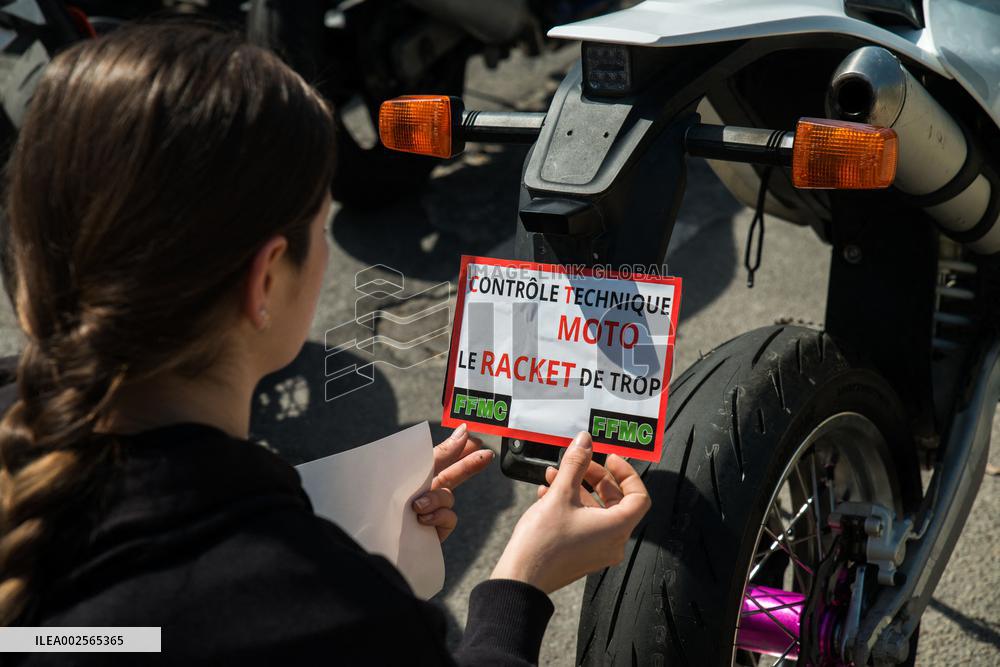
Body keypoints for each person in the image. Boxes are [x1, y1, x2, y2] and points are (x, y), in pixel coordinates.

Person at [0, 23, 650, 665]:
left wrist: (329, 517)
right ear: (265, 277)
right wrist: (522, 582)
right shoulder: (327, 613)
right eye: (320, 219)